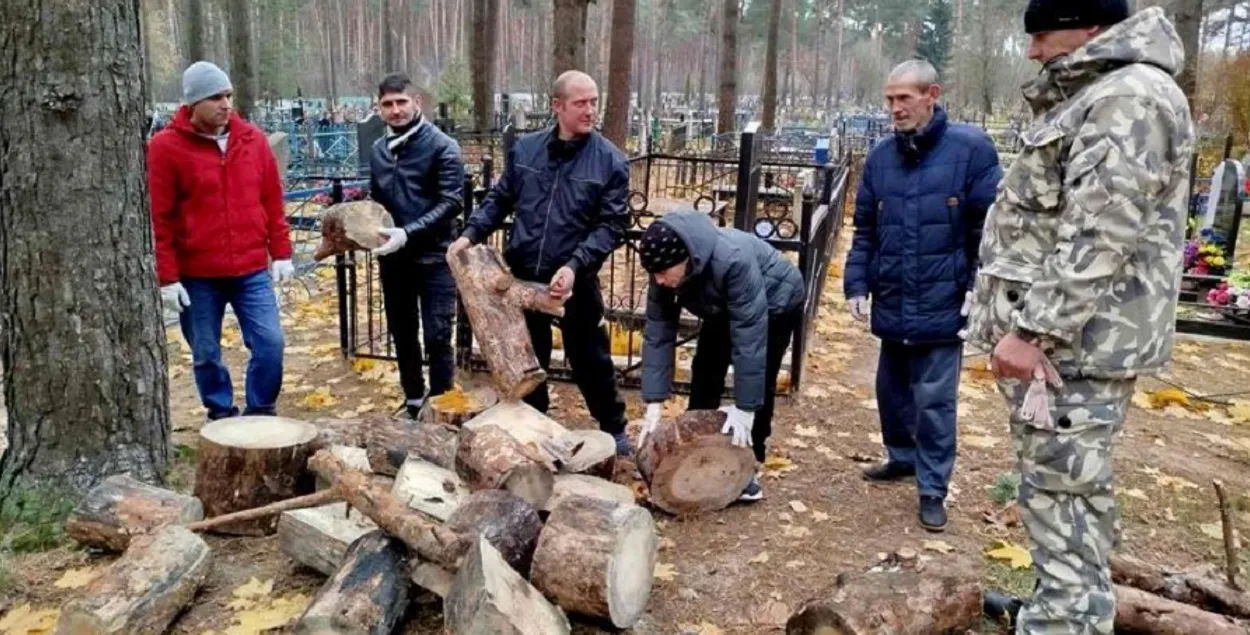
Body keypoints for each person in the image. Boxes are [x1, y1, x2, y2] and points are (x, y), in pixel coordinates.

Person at [966, 2, 1194, 632]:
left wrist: (1033, 329)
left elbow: (1099, 234)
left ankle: (1063, 621)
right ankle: (1064, 606)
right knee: (1066, 494)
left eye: (1043, 34)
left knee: (1062, 495)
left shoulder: (1129, 98)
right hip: (1073, 345)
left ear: (1091, 26)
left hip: (1072, 347)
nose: (1035, 50)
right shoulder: (1103, 93)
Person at [843, 59, 1002, 532]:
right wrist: (856, 282)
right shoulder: (880, 159)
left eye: (904, 99)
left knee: (934, 401)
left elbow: (988, 231)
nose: (894, 109)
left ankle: (933, 486)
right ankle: (902, 456)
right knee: (891, 392)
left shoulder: (971, 151)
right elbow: (866, 228)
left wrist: (978, 285)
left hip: (943, 298)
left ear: (931, 94)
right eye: (889, 99)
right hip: (893, 294)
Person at [449, 71, 632, 455]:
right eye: (581, 103)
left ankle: (614, 428)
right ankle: (535, 426)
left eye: (594, 102)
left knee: (590, 359)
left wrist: (575, 264)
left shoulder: (610, 161)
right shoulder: (526, 150)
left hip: (574, 279)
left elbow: (611, 225)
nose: (590, 110)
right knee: (527, 358)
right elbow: (500, 199)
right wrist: (469, 235)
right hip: (523, 274)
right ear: (557, 106)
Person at [149, 61, 294, 420]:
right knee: (205, 352)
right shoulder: (165, 148)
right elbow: (159, 218)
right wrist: (167, 278)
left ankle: (260, 411)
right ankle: (221, 415)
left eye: (228, 95)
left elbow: (272, 202)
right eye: (215, 97)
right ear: (192, 103)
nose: (225, 104)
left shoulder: (253, 140)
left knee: (270, 344)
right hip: (198, 275)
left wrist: (281, 253)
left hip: (250, 270)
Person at [637, 211, 805, 501]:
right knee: (705, 370)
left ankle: (750, 464)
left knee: (759, 379)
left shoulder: (733, 260)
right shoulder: (663, 270)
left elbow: (749, 340)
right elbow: (658, 333)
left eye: (664, 273)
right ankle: (695, 450)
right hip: (721, 306)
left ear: (686, 259)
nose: (659, 281)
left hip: (777, 300)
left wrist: (745, 407)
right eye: (654, 274)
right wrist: (654, 401)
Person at [368, 73, 465, 418]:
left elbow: (452, 201)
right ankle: (412, 400)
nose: (395, 111)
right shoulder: (379, 151)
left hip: (435, 257)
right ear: (378, 108)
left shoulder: (442, 146)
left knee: (438, 336)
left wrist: (409, 231)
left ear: (417, 102)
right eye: (387, 104)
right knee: (403, 332)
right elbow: (376, 200)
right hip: (393, 260)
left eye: (401, 102)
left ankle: (440, 408)